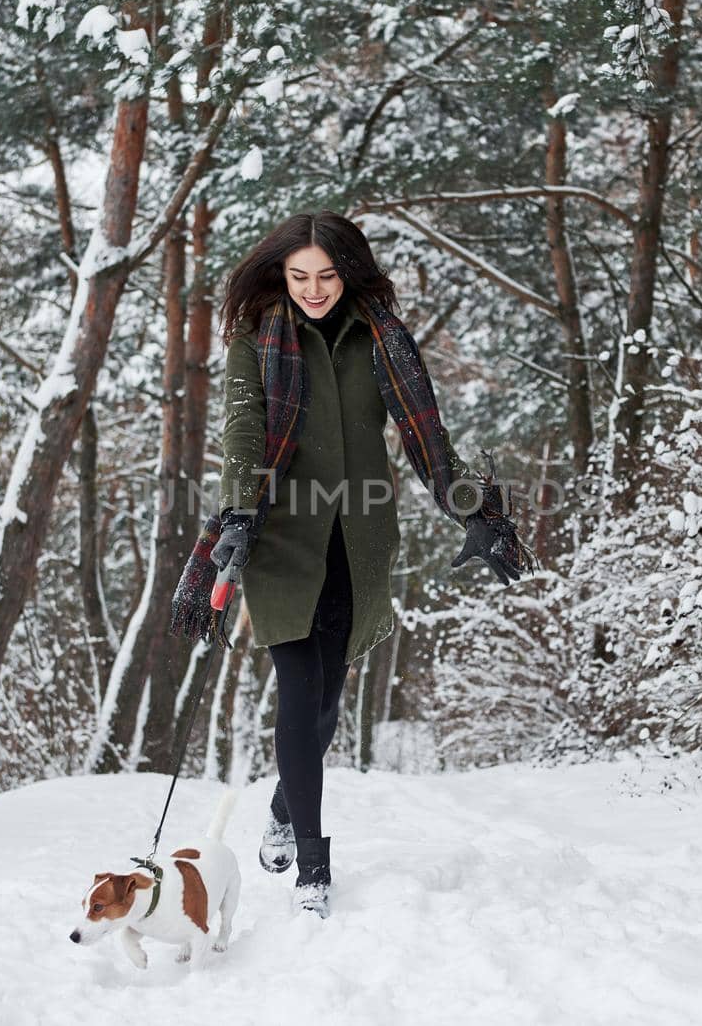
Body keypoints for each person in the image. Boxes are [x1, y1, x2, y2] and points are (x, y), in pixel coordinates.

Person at [170, 210, 535, 919]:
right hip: (281, 538)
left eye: (326, 276)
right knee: (298, 690)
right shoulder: (256, 339)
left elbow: (428, 440)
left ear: (349, 271)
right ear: (282, 274)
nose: (312, 290)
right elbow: (243, 432)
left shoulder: (383, 338)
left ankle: (282, 804)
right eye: (298, 276)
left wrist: (474, 512)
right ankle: (312, 866)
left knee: (329, 698)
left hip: (357, 539)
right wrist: (239, 515)